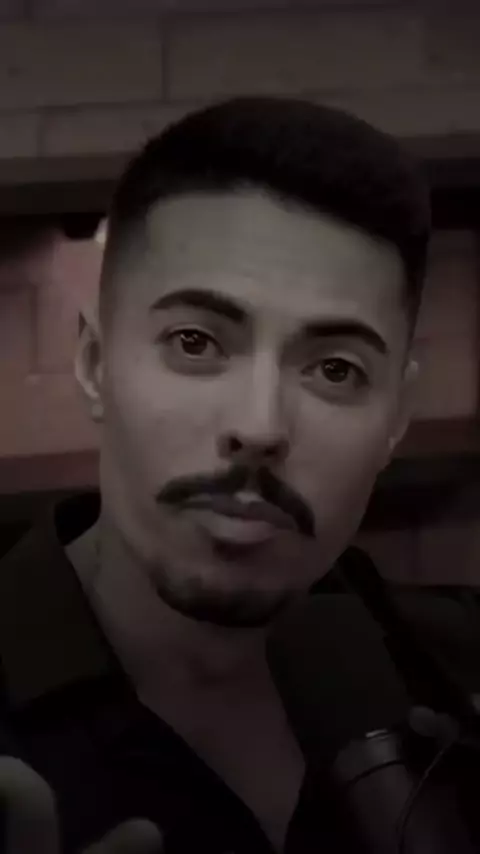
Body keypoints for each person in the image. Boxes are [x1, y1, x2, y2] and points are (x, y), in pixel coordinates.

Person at [0, 96, 438, 853]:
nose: (260, 427)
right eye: (195, 342)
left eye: (335, 369)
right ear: (97, 365)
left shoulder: (436, 674)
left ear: (396, 418)